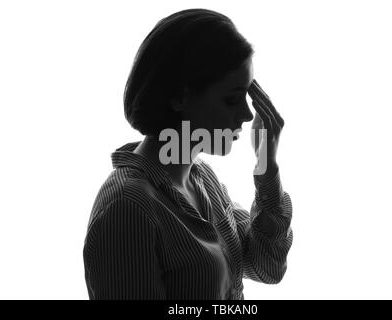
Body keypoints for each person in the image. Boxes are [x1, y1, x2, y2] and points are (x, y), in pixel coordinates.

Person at [83, 8, 293, 300]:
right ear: (179, 97)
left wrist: (266, 167)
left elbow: (267, 267)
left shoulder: (202, 179)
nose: (247, 115)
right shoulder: (128, 208)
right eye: (232, 99)